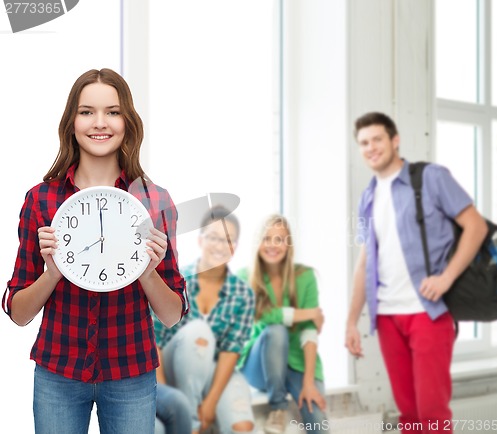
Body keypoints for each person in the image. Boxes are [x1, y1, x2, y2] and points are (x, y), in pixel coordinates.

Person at [2, 68, 189, 434]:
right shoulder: (41, 200)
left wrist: (148, 271)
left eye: (113, 111)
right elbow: (18, 312)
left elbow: (171, 315)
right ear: (72, 121)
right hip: (59, 372)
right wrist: (52, 272)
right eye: (87, 111)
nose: (99, 123)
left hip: (131, 374)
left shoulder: (154, 202)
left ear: (127, 122)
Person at [345, 112, 488, 433]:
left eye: (377, 139)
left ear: (395, 141)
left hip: (428, 312)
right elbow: (364, 262)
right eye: (363, 143)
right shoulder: (367, 197)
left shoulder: (431, 178)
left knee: (432, 413)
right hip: (386, 316)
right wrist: (352, 321)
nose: (371, 148)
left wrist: (446, 277)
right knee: (408, 414)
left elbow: (475, 227)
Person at [152, 205, 256, 434]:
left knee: (243, 427)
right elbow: (154, 343)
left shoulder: (243, 294)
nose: (219, 246)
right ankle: (191, 425)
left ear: (234, 247)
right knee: (199, 332)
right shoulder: (178, 281)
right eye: (213, 237)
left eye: (227, 240)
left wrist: (210, 403)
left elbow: (231, 352)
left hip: (215, 373)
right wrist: (169, 399)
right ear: (200, 240)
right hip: (171, 369)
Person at [238, 214, 329, 434]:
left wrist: (308, 382)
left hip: (296, 363)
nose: (272, 245)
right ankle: (277, 408)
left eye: (279, 239)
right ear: (258, 242)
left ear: (288, 245)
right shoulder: (245, 277)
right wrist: (308, 312)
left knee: (319, 423)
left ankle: (301, 387)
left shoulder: (305, 276)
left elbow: (310, 330)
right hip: (258, 364)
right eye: (266, 238)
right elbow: (263, 315)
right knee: (276, 331)